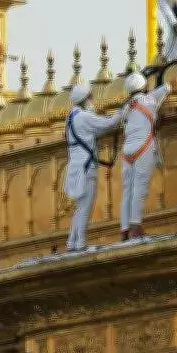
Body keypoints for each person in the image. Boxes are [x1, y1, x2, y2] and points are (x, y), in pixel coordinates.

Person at [119, 71, 177, 240]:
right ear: (144, 87)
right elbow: (173, 82)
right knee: (139, 189)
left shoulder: (126, 107)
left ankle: (125, 229)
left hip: (127, 152)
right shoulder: (151, 98)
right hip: (143, 148)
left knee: (127, 191)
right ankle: (135, 227)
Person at [63, 83, 123, 252]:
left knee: (80, 206)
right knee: (85, 206)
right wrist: (123, 111)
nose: (92, 100)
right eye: (90, 97)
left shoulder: (71, 118)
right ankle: (80, 243)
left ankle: (72, 242)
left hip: (77, 167)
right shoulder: (83, 117)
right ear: (84, 99)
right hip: (86, 168)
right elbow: (108, 124)